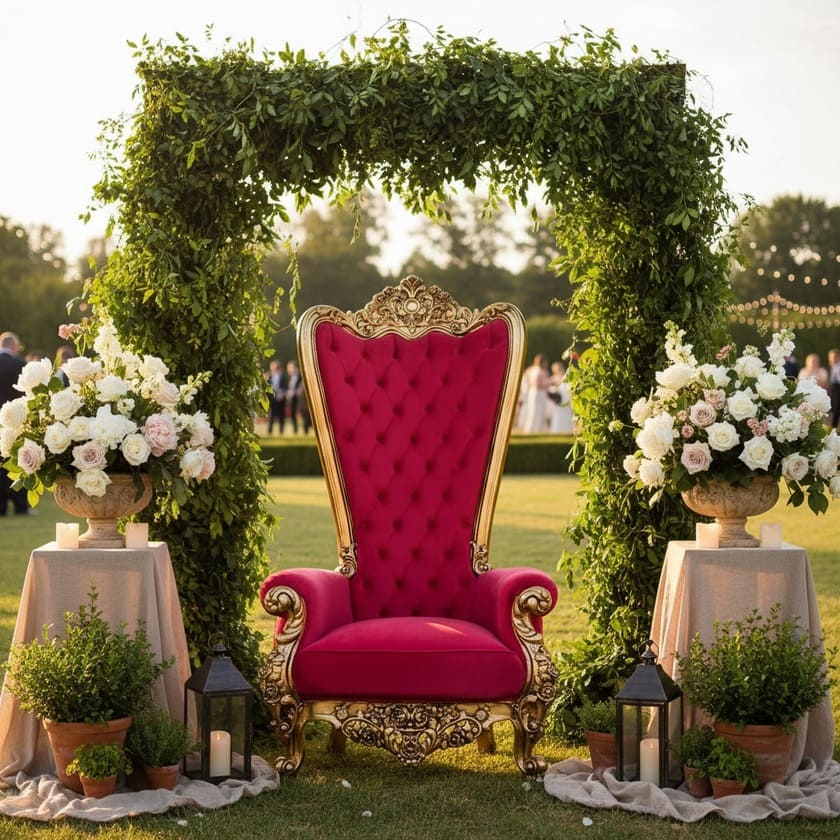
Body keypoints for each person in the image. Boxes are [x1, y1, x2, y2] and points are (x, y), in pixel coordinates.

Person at [0, 331, 30, 515]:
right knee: (19, 462)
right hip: (15, 422)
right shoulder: (20, 365)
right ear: (13, 345)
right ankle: (21, 505)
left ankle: (0, 507)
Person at [519, 353, 550, 433]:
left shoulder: (530, 370)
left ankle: (530, 429)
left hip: (532, 393)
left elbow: (527, 380)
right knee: (538, 412)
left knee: (532, 411)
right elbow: (540, 384)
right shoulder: (542, 371)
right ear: (543, 362)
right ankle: (536, 429)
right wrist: (550, 383)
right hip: (540, 393)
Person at [547, 361, 574, 433]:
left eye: (559, 369)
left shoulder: (565, 377)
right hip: (558, 400)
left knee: (566, 415)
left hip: (565, 399)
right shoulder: (553, 378)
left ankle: (567, 430)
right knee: (557, 415)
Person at [282, 360, 302, 434]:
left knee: (302, 414)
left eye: (290, 367)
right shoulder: (288, 377)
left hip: (299, 399)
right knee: (292, 414)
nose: (288, 369)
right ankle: (295, 430)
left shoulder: (301, 377)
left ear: (295, 368)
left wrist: (296, 392)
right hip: (290, 398)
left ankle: (305, 429)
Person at [266, 359, 285, 435]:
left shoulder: (283, 377)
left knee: (281, 415)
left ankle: (281, 431)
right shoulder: (269, 376)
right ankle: (270, 431)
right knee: (271, 415)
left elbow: (285, 386)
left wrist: (282, 393)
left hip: (281, 398)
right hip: (272, 398)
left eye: (276, 367)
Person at [828, 348, 840, 428]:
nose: (833, 359)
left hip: (838, 389)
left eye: (835, 357)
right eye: (831, 357)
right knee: (834, 411)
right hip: (833, 391)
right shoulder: (830, 367)